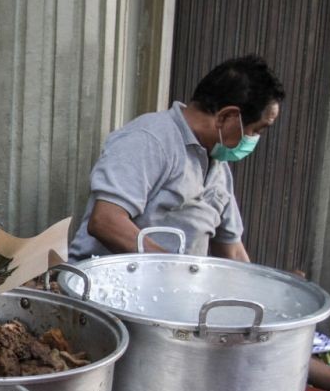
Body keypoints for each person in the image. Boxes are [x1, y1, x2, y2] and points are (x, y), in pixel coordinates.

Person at [68, 55, 285, 261]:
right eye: (257, 130)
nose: (254, 139)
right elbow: (106, 221)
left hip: (172, 292)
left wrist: (257, 291)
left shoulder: (218, 166)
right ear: (227, 116)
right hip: (109, 288)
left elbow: (233, 251)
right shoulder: (149, 139)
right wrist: (174, 271)